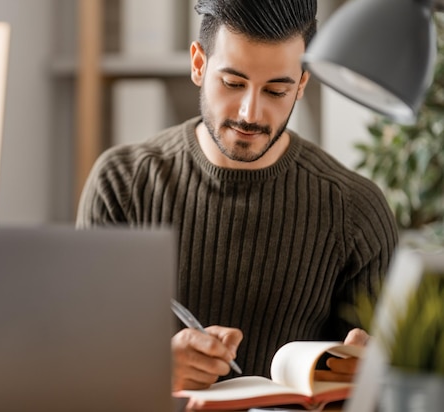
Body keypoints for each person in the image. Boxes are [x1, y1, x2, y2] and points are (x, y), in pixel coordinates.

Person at [76, 0, 398, 391]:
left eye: (276, 90)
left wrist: (378, 375)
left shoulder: (356, 212)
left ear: (301, 83)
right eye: (233, 83)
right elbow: (80, 367)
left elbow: (387, 387)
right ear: (198, 64)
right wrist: (147, 370)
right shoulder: (122, 185)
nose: (250, 113)